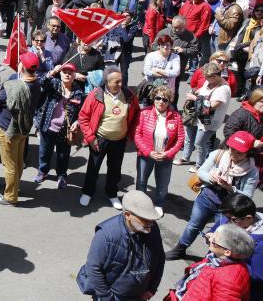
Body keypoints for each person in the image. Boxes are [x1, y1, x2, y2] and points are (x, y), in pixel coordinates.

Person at [166, 131, 260, 260]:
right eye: (232, 150)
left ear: (248, 152)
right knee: (193, 225)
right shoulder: (219, 155)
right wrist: (212, 178)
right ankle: (180, 249)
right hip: (206, 198)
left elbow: (247, 197)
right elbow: (201, 172)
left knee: (220, 235)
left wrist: (230, 188)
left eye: (240, 153)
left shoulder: (252, 171)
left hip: (228, 209)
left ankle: (210, 259)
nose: (234, 155)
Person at [76, 190, 165, 301]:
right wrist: (108, 298)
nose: (151, 224)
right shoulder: (106, 235)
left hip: (141, 295)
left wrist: (152, 289)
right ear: (128, 215)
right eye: (145, 219)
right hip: (114, 296)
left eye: (152, 219)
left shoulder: (151, 228)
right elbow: (93, 269)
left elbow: (160, 257)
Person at [78, 66, 141, 209]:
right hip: (99, 139)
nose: (120, 84)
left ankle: (112, 194)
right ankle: (87, 192)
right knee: (93, 168)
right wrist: (90, 138)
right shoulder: (95, 95)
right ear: (107, 82)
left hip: (119, 140)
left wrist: (132, 133)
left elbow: (137, 113)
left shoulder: (129, 94)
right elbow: (83, 117)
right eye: (116, 82)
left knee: (115, 169)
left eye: (121, 81)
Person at [0, 52, 42, 206]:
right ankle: (13, 186)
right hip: (23, 128)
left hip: (8, 130)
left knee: (9, 165)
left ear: (22, 67)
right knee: (18, 161)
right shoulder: (37, 84)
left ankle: (10, 196)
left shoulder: (17, 87)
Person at [167, 223, 254, 301]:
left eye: (215, 240)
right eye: (213, 234)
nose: (210, 238)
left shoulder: (229, 280)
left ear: (227, 252)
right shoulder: (217, 258)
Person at [133, 85, 184, 216]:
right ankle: (139, 203)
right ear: (153, 98)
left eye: (165, 99)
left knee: (162, 184)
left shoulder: (176, 117)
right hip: (146, 155)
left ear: (169, 101)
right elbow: (137, 135)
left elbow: (180, 139)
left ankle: (159, 204)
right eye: (158, 98)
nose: (161, 102)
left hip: (165, 157)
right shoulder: (144, 113)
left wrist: (168, 154)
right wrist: (148, 152)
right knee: (141, 182)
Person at [34, 62, 85, 189]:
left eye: (70, 73)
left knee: (63, 155)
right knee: (45, 152)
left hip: (65, 130)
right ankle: (43, 171)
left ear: (74, 75)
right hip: (48, 126)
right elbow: (40, 83)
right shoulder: (54, 84)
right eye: (64, 72)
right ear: (60, 74)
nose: (67, 75)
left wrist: (77, 122)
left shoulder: (79, 92)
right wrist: (52, 72)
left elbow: (82, 112)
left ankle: (62, 175)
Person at [176, 62, 231, 169]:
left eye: (207, 77)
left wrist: (194, 98)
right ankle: (185, 158)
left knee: (200, 143)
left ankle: (199, 165)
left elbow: (210, 107)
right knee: (189, 137)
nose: (205, 79)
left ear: (215, 76)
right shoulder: (209, 81)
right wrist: (195, 92)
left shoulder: (223, 89)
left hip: (208, 122)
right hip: (197, 116)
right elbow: (202, 90)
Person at [208, 194, 263, 299]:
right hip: (211, 273)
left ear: (248, 218)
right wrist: (210, 235)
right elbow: (213, 230)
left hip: (233, 289)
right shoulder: (228, 218)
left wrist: (231, 259)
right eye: (226, 217)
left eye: (232, 220)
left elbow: (258, 277)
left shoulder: (260, 245)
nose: (227, 222)